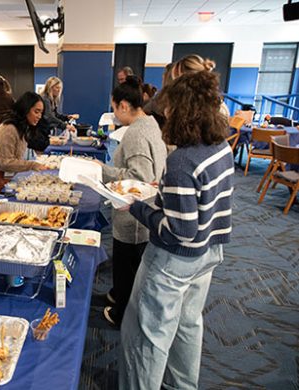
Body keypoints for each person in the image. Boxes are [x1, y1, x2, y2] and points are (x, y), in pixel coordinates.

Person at [119, 70, 233, 390]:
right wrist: (168, 191)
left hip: (174, 260)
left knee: (147, 339)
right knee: (187, 326)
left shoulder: (182, 160)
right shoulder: (220, 146)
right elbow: (207, 199)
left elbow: (179, 231)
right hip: (209, 253)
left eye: (168, 109)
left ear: (181, 110)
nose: (164, 115)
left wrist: (138, 206)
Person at [99, 76, 167, 328]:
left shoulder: (136, 134)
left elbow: (139, 177)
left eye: (115, 108)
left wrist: (103, 171)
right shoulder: (149, 123)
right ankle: (118, 294)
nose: (114, 114)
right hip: (144, 209)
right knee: (127, 265)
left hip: (134, 213)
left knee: (128, 264)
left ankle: (121, 314)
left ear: (124, 106)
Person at [0, 91, 49, 193]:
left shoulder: (23, 127)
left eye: (41, 113)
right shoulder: (9, 129)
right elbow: (6, 162)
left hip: (7, 174)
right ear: (25, 109)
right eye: (36, 112)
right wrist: (32, 165)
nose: (39, 116)